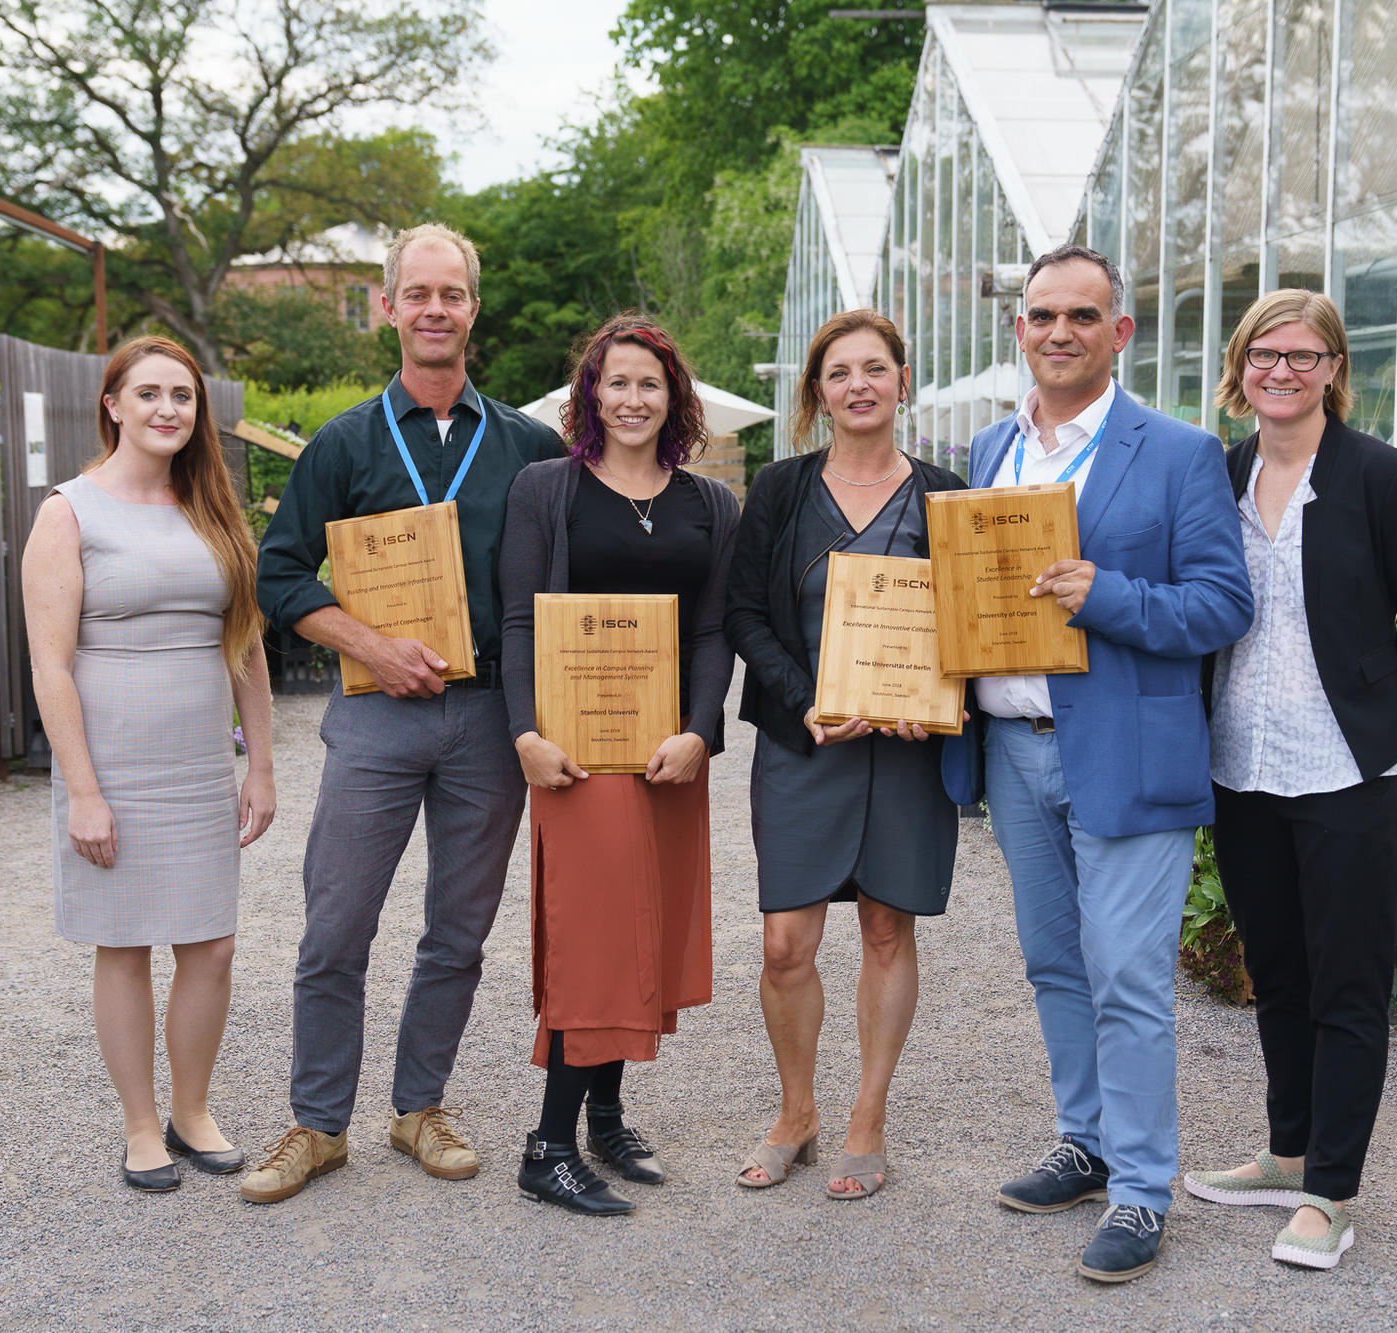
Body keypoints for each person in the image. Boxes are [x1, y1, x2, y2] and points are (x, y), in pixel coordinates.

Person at [242, 223, 563, 1204]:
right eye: (415, 293)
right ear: (386, 307)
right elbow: (280, 573)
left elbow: (569, 574)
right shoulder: (341, 442)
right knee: (335, 926)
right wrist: (372, 645)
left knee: (457, 932)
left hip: (488, 719)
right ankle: (316, 1122)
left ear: (474, 309)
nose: (433, 309)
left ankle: (418, 1106)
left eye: (451, 294)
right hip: (378, 714)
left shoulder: (529, 447)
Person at [950, 244, 1253, 1282]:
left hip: (1126, 752)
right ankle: (1081, 1140)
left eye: (1082, 316)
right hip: (1012, 748)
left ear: (1118, 333)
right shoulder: (990, 450)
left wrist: (1106, 594)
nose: (1059, 332)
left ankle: (1138, 1188)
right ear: (1020, 329)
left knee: (1127, 975)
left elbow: (1222, 603)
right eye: (1041, 316)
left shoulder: (1176, 452)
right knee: (1053, 963)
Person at [1182, 290, 1397, 1269]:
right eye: (1265, 353)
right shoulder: (1218, 475)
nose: (1283, 371)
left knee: (1346, 986)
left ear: (1334, 368)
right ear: (1240, 366)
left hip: (1348, 769)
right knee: (1279, 976)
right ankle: (1286, 1150)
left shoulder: (1384, 478)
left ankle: (1330, 1192)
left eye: (1304, 355)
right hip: (1240, 763)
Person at [499, 312, 740, 1215]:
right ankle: (547, 1144)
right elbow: (520, 620)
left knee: (646, 930)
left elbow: (714, 632)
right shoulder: (544, 490)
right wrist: (525, 733)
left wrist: (703, 731)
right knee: (595, 938)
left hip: (666, 753)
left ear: (675, 396)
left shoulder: (710, 504)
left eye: (651, 382)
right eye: (617, 381)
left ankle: (606, 1115)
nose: (633, 397)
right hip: (574, 755)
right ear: (590, 394)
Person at [23, 335, 276, 1193]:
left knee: (212, 946)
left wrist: (263, 764)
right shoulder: (69, 512)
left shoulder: (211, 509)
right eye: (150, 394)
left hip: (199, 770)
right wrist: (83, 792)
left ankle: (192, 1108)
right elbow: (50, 665)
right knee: (125, 947)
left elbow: (244, 646)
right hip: (114, 771)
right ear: (113, 405)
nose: (168, 409)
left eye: (183, 396)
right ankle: (140, 1123)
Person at [725, 309, 967, 1200]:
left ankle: (868, 1113)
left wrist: (933, 699)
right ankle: (798, 1111)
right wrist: (806, 699)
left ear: (903, 380)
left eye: (875, 368)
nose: (858, 384)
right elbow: (744, 612)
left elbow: (969, 621)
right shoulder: (781, 489)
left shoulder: (947, 494)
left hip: (904, 752)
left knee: (885, 926)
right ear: (817, 394)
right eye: (839, 373)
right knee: (786, 941)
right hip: (805, 738)